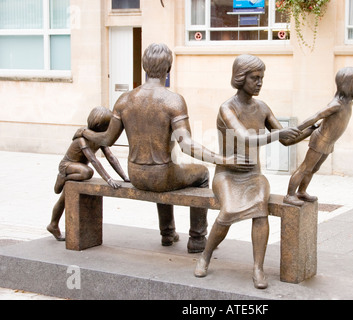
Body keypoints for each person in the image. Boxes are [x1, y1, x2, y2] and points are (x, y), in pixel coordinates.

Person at [78, 43, 253, 253]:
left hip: (136, 175)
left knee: (171, 169)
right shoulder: (173, 101)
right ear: (168, 69)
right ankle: (197, 238)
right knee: (202, 173)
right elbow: (187, 145)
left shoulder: (124, 100)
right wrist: (223, 160)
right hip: (161, 177)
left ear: (144, 67)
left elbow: (106, 139)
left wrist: (84, 132)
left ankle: (167, 233)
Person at [194, 54, 316, 289]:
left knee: (261, 209)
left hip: (254, 175)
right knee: (228, 210)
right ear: (240, 78)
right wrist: (279, 134)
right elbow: (246, 137)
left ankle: (258, 269)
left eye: (262, 78)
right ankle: (205, 256)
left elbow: (288, 140)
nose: (260, 83)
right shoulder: (227, 108)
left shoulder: (262, 107)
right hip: (227, 175)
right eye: (255, 78)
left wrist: (313, 128)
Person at [283, 67, 353, 206]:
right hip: (321, 140)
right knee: (305, 168)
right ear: (349, 86)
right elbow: (316, 116)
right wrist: (297, 130)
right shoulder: (337, 104)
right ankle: (290, 195)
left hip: (329, 142)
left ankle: (301, 191)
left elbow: (333, 121)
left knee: (314, 169)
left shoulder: (348, 103)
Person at [48, 106, 130, 241]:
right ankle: (64, 176)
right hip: (68, 166)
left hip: (78, 169)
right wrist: (108, 180)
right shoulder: (82, 139)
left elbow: (111, 157)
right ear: (102, 125)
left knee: (63, 199)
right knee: (88, 172)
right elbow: (93, 160)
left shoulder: (98, 137)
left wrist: (125, 177)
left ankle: (53, 224)